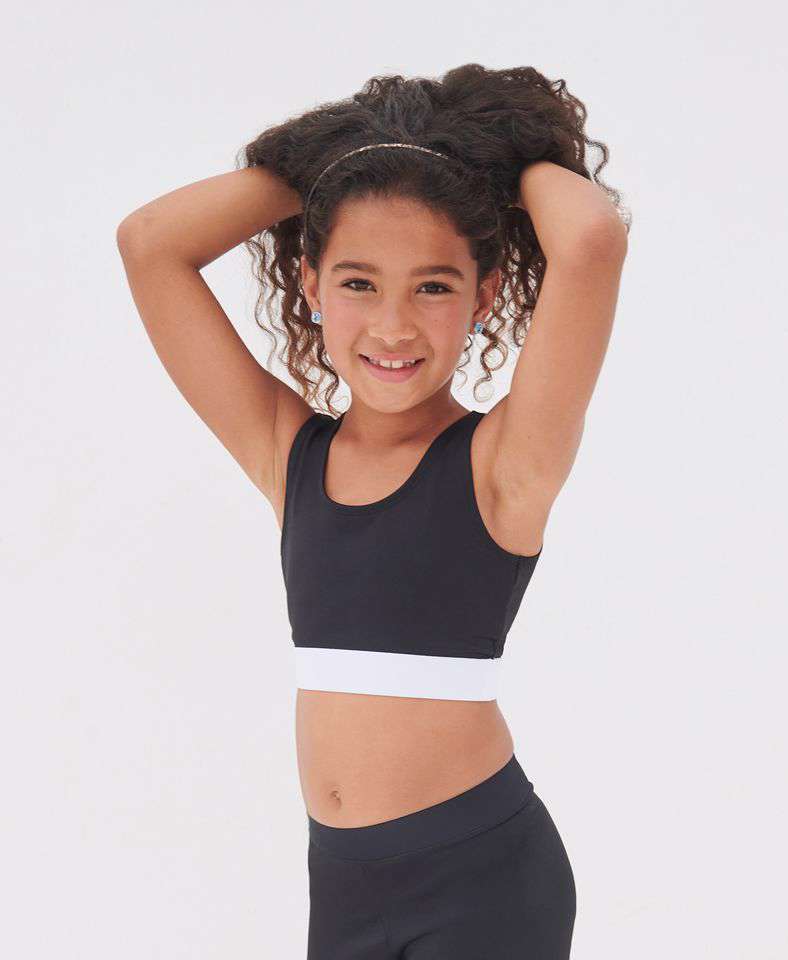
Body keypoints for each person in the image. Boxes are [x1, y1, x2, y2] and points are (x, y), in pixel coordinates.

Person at [117, 64, 629, 960]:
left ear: (484, 296)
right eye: (358, 282)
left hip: (482, 884)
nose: (393, 326)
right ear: (309, 284)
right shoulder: (290, 454)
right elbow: (150, 242)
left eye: (433, 286)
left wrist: (481, 152)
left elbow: (589, 237)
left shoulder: (502, 467)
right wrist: (345, 158)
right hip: (343, 884)